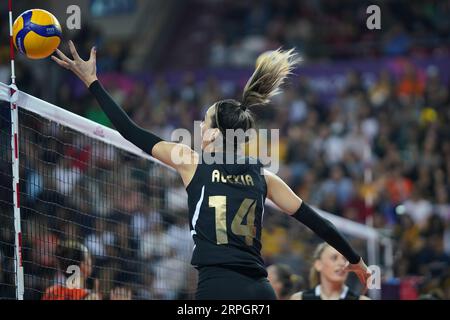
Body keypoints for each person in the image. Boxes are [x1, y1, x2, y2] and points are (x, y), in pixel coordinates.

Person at [52, 42, 370, 299]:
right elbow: (319, 223)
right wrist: (356, 261)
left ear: (215, 134)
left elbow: (130, 131)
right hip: (261, 290)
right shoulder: (264, 177)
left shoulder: (191, 162)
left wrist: (92, 82)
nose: (200, 128)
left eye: (204, 123)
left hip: (217, 286)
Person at [290, 243, 370, 300]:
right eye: (334, 258)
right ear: (318, 264)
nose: (342, 263)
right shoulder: (299, 298)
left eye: (345, 259)